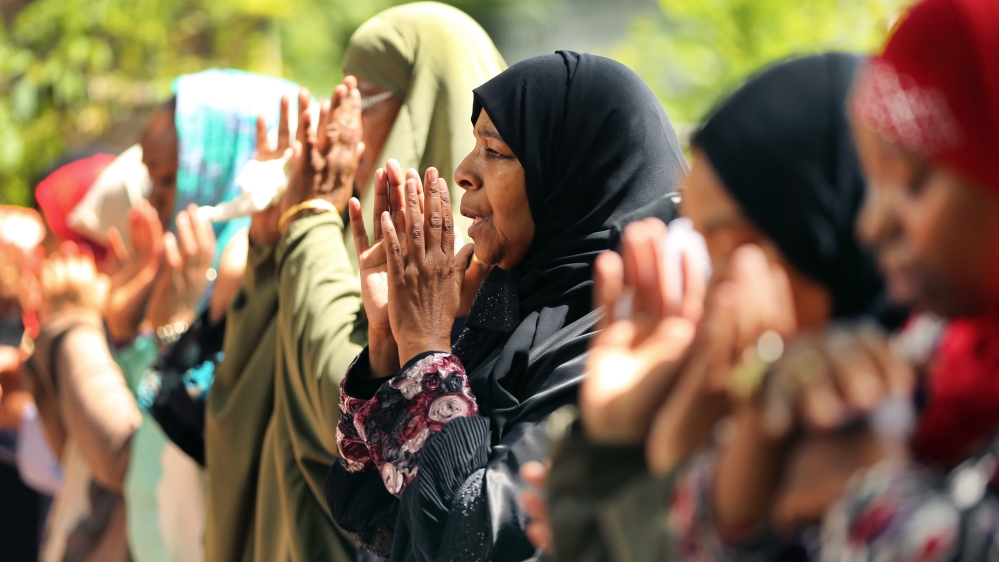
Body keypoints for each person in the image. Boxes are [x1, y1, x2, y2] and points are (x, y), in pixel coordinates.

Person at [326, 50, 687, 561]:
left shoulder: (619, 344)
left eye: (495, 151)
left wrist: (427, 351)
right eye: (476, 145)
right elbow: (365, 511)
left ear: (569, 176)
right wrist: (389, 344)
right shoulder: (500, 306)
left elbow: (473, 539)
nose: (463, 172)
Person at [540, 52, 895, 561]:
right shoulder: (733, 414)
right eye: (693, 234)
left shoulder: (913, 451)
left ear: (821, 234)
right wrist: (618, 441)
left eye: (724, 242)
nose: (702, 278)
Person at [698, 0, 999, 559]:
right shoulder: (935, 352)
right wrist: (766, 424)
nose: (871, 224)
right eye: (871, 181)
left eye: (911, 182)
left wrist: (868, 488)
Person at [343, 1, 506, 241]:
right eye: (344, 101)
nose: (347, 125)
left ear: (423, 103)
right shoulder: (343, 216)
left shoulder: (485, 253)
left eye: (363, 100)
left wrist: (310, 212)